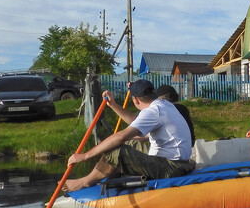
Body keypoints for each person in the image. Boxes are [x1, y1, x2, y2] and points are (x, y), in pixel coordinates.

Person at [64, 79, 194, 192]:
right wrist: (113, 105)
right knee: (128, 144)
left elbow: (120, 136)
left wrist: (84, 156)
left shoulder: (153, 112)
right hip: (174, 162)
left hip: (171, 168)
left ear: (135, 99)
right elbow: (136, 121)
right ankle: (102, 178)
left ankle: (85, 182)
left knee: (116, 148)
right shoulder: (163, 105)